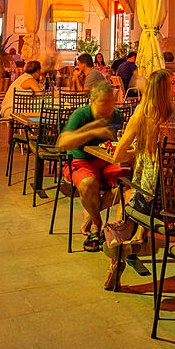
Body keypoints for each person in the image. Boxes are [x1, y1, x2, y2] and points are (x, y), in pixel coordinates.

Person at [105, 69, 175, 287]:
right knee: (140, 193)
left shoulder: (142, 114)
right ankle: (138, 239)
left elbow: (118, 155)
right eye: (173, 84)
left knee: (126, 194)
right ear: (166, 89)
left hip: (152, 200)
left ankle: (118, 253)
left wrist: (140, 150)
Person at [56, 81, 126, 252]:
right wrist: (92, 132)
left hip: (108, 162)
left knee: (129, 182)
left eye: (112, 101)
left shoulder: (117, 115)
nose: (110, 106)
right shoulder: (82, 115)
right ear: (93, 100)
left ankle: (90, 213)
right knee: (88, 185)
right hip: (82, 161)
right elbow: (62, 143)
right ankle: (97, 224)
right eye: (104, 102)